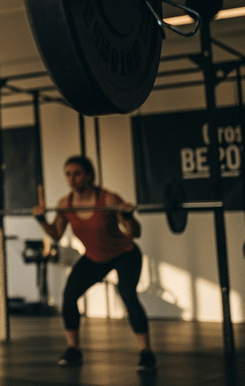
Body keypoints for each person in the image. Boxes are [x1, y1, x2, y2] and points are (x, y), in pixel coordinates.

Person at [34, 156, 156, 372]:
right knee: (69, 296)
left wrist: (128, 217)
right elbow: (56, 235)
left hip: (124, 253)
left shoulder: (108, 199)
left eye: (77, 173)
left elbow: (135, 232)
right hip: (94, 257)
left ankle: (146, 352)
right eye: (68, 174)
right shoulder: (65, 204)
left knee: (127, 294)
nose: (72, 179)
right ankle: (73, 349)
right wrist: (42, 220)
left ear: (89, 176)